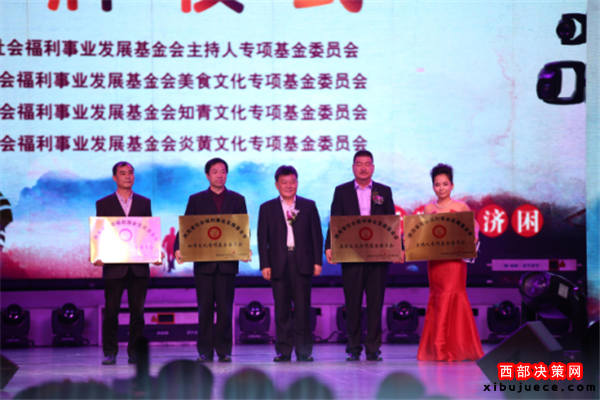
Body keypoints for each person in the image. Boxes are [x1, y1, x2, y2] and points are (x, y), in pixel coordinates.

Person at [324, 150, 396, 361]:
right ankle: (353, 348)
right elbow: (334, 220)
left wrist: (397, 247)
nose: (363, 168)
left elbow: (391, 221)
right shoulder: (342, 191)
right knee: (353, 303)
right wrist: (329, 246)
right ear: (353, 167)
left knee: (375, 303)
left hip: (378, 255)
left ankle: (373, 348)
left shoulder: (384, 191)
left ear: (372, 167)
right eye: (359, 164)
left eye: (367, 164)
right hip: (351, 254)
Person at [174, 158, 248, 363]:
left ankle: (224, 351)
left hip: (227, 264)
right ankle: (205, 352)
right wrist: (177, 247)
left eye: (223, 171)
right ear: (207, 175)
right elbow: (186, 227)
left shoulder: (237, 199)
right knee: (205, 309)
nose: (219, 175)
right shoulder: (196, 199)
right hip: (204, 264)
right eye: (215, 171)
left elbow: (243, 229)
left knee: (225, 310)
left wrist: (245, 247)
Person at [93, 161, 163, 365]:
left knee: (137, 313)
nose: (127, 176)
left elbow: (148, 231)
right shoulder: (103, 203)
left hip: (138, 266)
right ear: (114, 178)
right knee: (111, 312)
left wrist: (155, 253)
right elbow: (101, 232)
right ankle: (110, 352)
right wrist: (97, 254)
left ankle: (135, 353)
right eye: (122, 173)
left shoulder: (144, 202)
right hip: (114, 265)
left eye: (130, 172)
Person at [416, 163, 484, 362]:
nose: (441, 188)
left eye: (445, 184)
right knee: (437, 298)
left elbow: (474, 227)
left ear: (452, 186)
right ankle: (437, 348)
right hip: (435, 263)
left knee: (451, 296)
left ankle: (445, 348)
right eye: (437, 184)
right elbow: (424, 235)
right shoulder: (429, 208)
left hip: (454, 263)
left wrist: (473, 236)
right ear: (433, 187)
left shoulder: (461, 207)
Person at [257, 166, 323, 362]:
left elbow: (316, 235)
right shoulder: (267, 208)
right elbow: (262, 238)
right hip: (277, 262)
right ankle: (283, 351)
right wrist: (264, 264)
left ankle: (304, 351)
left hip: (302, 261)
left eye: (292, 182)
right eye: (284, 182)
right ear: (276, 185)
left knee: (303, 309)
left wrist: (317, 261)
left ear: (297, 183)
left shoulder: (308, 206)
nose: (288, 186)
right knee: (282, 310)